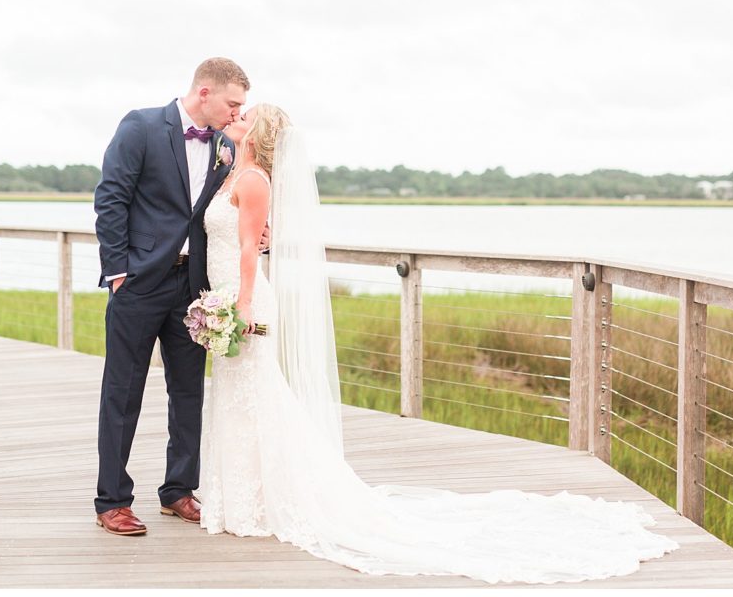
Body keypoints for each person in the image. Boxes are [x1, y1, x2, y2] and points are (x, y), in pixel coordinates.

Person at [193, 103, 681, 584]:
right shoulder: (234, 171)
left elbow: (247, 253)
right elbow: (246, 239)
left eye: (246, 115)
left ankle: (264, 500)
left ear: (258, 134)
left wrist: (242, 305)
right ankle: (243, 497)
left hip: (245, 300)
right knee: (241, 399)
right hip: (228, 294)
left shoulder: (254, 181)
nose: (236, 117)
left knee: (256, 395)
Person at [92, 57, 264, 535]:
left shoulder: (225, 147)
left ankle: (179, 491)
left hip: (193, 288)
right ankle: (112, 500)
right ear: (204, 92)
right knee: (122, 391)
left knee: (188, 391)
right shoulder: (141, 126)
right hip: (139, 283)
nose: (236, 114)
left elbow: (225, 206)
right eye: (232, 103)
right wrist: (119, 270)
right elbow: (111, 198)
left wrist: (256, 229)